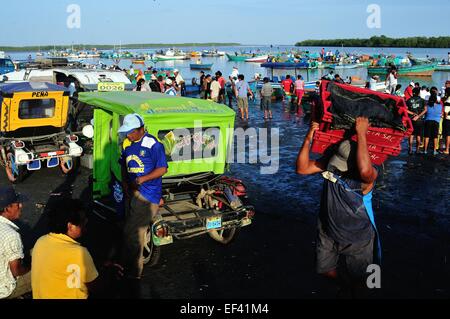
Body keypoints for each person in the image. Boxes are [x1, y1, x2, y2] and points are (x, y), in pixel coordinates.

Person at [296, 118, 380, 297]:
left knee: (366, 283)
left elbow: (365, 170)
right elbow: (302, 168)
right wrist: (309, 136)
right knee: (324, 270)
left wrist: (362, 134)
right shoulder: (330, 167)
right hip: (328, 232)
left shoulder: (366, 178)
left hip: (358, 239)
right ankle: (346, 284)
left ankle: (356, 289)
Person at [31, 199, 121, 299]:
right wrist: (110, 272)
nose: (86, 221)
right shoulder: (78, 252)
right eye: (82, 220)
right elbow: (96, 286)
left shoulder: (41, 241)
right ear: (70, 226)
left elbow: (61, 265)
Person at [118, 114, 168, 293]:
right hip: (133, 194)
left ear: (140, 129)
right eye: (126, 133)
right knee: (131, 232)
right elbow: (123, 163)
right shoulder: (129, 146)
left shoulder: (153, 145)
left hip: (147, 196)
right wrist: (125, 184)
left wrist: (141, 180)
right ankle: (128, 267)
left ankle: (134, 273)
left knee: (133, 233)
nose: (127, 136)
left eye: (130, 132)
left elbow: (162, 168)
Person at [0, 186, 31, 299]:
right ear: (7, 208)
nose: (21, 206)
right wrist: (30, 267)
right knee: (43, 267)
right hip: (4, 289)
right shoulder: (12, 235)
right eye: (17, 204)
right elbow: (16, 271)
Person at [406, 87, 427, 154]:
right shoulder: (422, 100)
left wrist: (413, 114)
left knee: (411, 135)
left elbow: (405, 110)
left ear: (413, 92)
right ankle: (417, 150)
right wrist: (418, 116)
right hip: (419, 120)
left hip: (411, 119)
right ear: (419, 93)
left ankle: (410, 149)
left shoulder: (409, 100)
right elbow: (425, 110)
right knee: (418, 135)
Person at [443, 87, 450, 155]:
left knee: (448, 135)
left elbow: (446, 112)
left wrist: (444, 119)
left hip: (448, 119)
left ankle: (447, 149)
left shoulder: (448, 101)